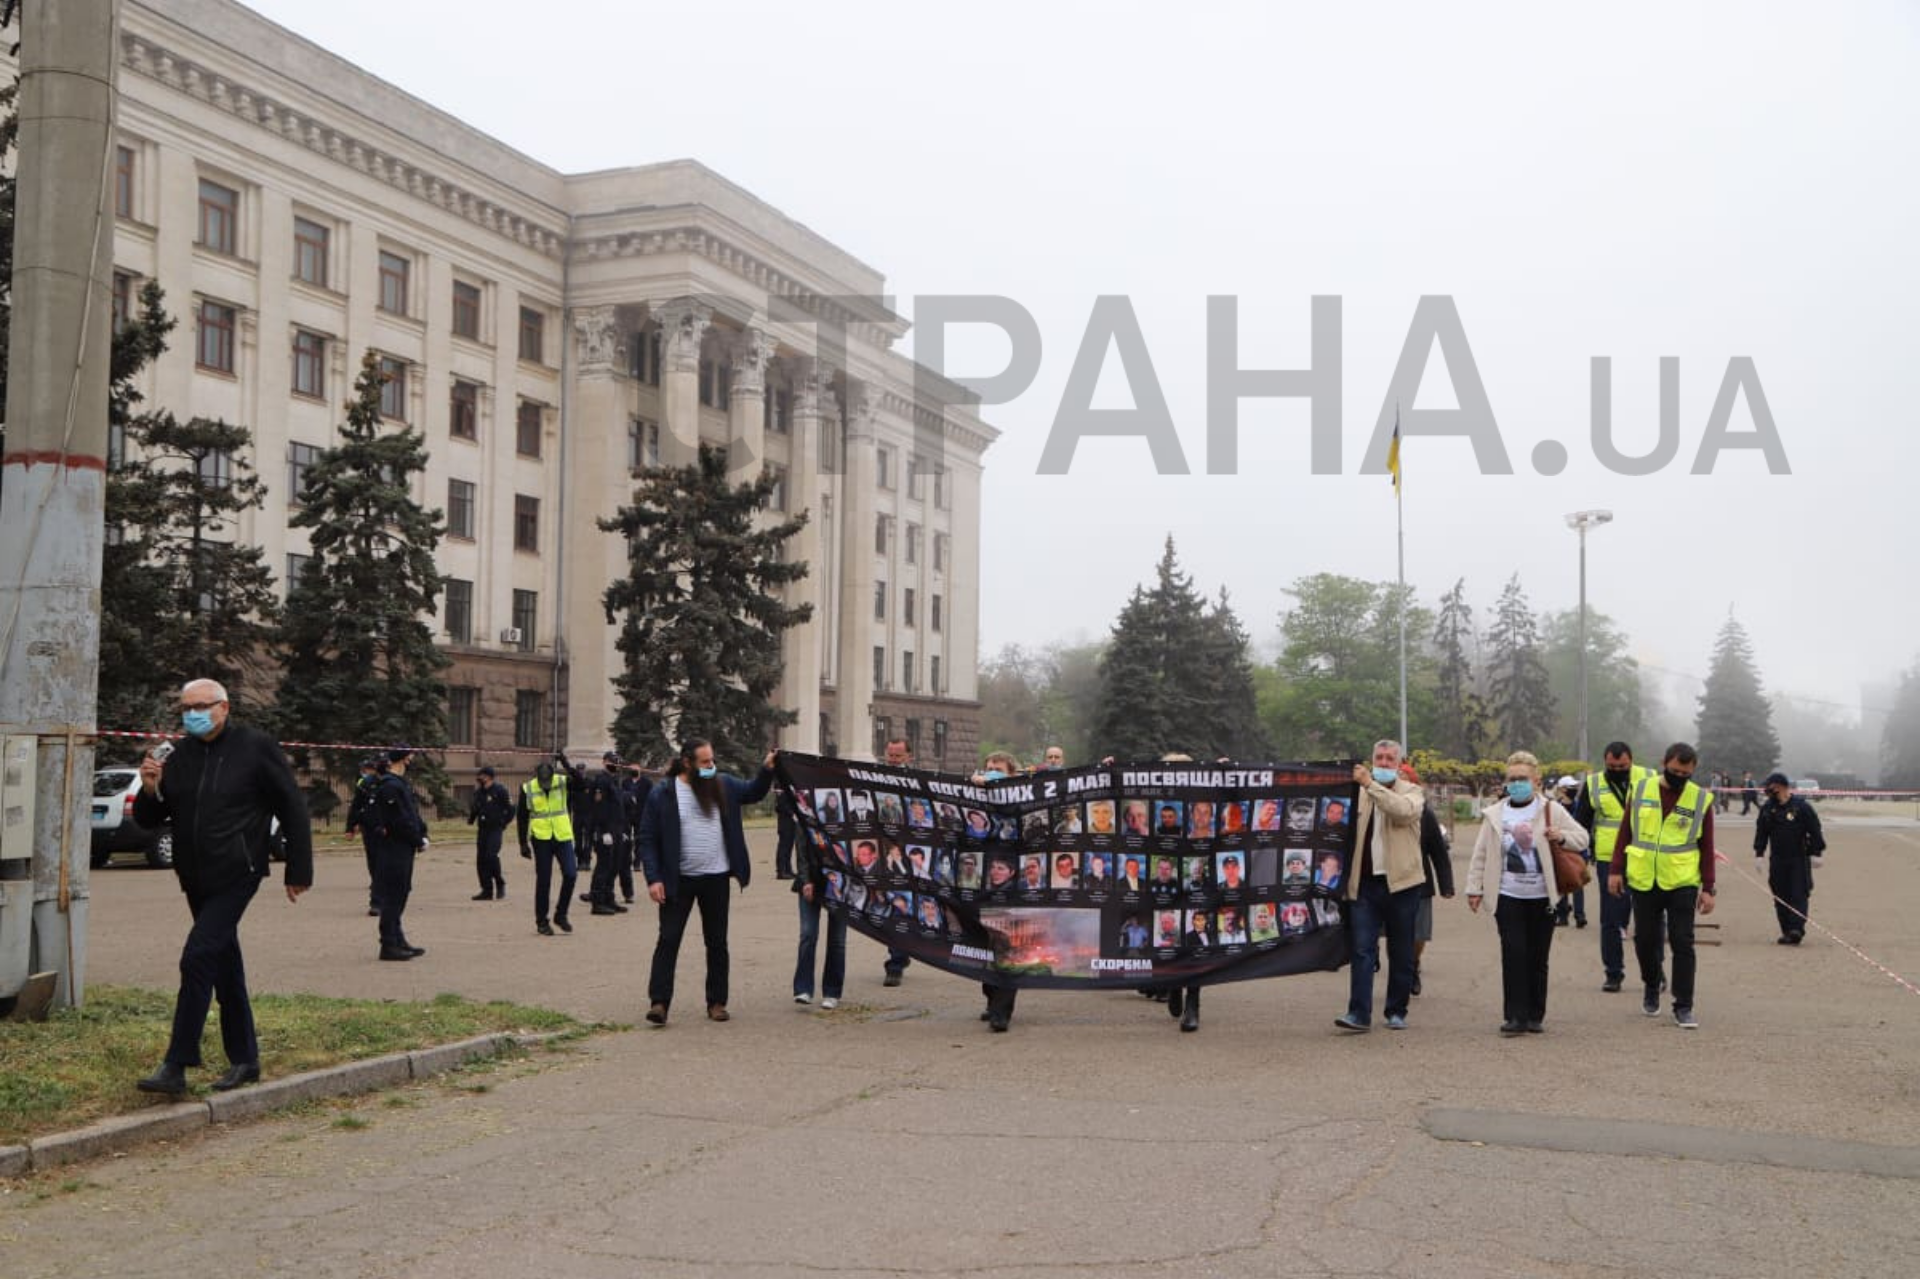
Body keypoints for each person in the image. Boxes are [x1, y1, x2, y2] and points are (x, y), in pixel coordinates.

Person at [133, 680, 312, 1095]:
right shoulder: (177, 755)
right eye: (185, 707)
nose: (192, 713)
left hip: (238, 870)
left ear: (224, 707)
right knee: (224, 965)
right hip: (194, 875)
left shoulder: (255, 747)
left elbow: (292, 805)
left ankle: (176, 1064)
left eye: (201, 706)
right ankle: (245, 1059)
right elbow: (149, 818)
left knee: (197, 957)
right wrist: (149, 786)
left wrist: (298, 869)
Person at [638, 740, 775, 1025]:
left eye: (712, 761)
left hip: (716, 879)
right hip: (679, 881)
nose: (711, 766)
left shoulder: (722, 784)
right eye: (705, 762)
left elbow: (753, 792)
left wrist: (767, 770)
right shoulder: (664, 792)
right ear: (687, 763)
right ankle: (659, 1003)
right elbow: (648, 838)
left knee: (717, 942)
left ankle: (717, 1002)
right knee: (668, 940)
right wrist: (654, 879)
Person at [1467, 752, 1588, 1035]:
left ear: (1536, 781)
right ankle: (1514, 1016)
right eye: (1513, 779)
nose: (1518, 783)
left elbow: (1582, 837)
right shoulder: (1495, 814)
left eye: (1523, 778)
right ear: (1506, 783)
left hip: (1543, 896)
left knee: (1537, 955)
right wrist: (1474, 888)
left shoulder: (1551, 810)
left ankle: (1535, 1014)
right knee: (1513, 953)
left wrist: (1561, 836)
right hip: (1507, 894)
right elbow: (1481, 854)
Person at [1608, 742, 1717, 1029]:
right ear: (1664, 764)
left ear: (1693, 771)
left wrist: (1709, 887)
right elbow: (1625, 833)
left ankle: (1683, 1005)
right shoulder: (1642, 789)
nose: (1680, 776)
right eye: (1675, 770)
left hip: (1682, 881)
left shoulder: (1700, 799)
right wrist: (1615, 870)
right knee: (1645, 940)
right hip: (1644, 878)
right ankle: (1652, 983)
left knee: (1683, 941)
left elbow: (1707, 847)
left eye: (1686, 772)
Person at [1334, 740, 1425, 1033]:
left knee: (1400, 950)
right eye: (1379, 757)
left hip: (1402, 884)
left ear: (1399, 764)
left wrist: (1370, 784)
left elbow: (1401, 811)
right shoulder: (1356, 794)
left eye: (1389, 759)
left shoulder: (1412, 792)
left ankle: (1396, 1010)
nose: (1383, 762)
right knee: (1362, 949)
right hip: (1365, 885)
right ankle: (1358, 1013)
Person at [1574, 741, 1652, 992]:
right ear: (1604, 762)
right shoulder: (1594, 783)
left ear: (1632, 761)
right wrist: (1578, 855)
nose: (1617, 769)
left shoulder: (1650, 778)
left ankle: (1655, 972)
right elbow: (1582, 823)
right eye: (1612, 766)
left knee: (1650, 917)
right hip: (1609, 859)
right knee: (1610, 918)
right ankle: (1613, 973)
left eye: (1623, 766)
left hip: (1645, 856)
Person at [366, 749, 430, 961]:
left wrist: (421, 832)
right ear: (403, 760)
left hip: (403, 846)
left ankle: (398, 938)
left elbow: (412, 814)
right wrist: (417, 839)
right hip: (394, 848)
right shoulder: (390, 786)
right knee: (394, 896)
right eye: (410, 759)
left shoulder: (399, 784)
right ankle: (388, 944)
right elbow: (399, 820)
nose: (412, 762)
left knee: (401, 893)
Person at [1753, 772, 1825, 944]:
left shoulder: (1801, 807)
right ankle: (1786, 931)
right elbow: (1761, 832)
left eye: (1771, 787)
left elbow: (1815, 829)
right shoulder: (1768, 808)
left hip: (1799, 858)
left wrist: (1817, 852)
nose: (1768, 791)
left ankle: (1796, 929)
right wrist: (1759, 854)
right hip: (1777, 859)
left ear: (1781, 786)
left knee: (1798, 894)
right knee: (1780, 896)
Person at [1403, 761, 1455, 998]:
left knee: (1419, 934)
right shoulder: (1379, 808)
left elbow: (1438, 851)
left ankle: (1413, 964)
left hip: (1420, 882)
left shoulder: (1424, 813)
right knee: (1392, 934)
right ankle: (1400, 973)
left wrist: (1446, 884)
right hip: (1387, 882)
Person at [516, 756, 577, 937]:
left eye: (547, 781)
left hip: (562, 835)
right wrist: (523, 844)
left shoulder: (562, 781)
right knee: (544, 880)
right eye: (542, 782)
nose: (545, 785)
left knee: (571, 874)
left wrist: (565, 762)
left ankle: (561, 914)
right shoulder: (528, 788)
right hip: (541, 838)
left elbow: (582, 782)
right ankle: (542, 921)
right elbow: (522, 817)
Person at [880, 736, 917, 987]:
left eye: (898, 756)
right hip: (881, 851)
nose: (893, 760)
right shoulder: (874, 777)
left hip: (908, 854)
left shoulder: (916, 782)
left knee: (902, 906)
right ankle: (898, 957)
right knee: (887, 907)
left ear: (908, 757)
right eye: (890, 755)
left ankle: (897, 960)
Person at [579, 754, 634, 916]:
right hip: (605, 831)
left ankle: (609, 898)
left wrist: (623, 830)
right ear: (604, 763)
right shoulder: (601, 782)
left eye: (617, 763)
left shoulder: (614, 781)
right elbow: (598, 809)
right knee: (604, 866)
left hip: (617, 829)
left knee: (615, 866)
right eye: (612, 763)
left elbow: (618, 808)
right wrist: (603, 832)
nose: (616, 766)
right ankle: (597, 901)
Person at [342, 755, 382, 917]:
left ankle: (385, 896)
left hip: (390, 830)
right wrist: (351, 827)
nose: (365, 771)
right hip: (370, 829)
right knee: (374, 862)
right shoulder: (365, 784)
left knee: (386, 864)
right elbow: (356, 806)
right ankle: (377, 901)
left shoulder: (394, 783)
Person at [465, 765, 512, 901]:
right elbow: (475, 807)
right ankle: (486, 890)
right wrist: (471, 819)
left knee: (491, 856)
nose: (479, 778)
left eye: (481, 776)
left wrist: (504, 823)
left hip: (495, 829)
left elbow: (510, 809)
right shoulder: (479, 792)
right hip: (483, 829)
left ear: (488, 777)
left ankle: (499, 882)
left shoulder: (500, 790)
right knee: (481, 860)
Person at [1550, 775, 1588, 929]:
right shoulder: (1554, 808)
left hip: (1578, 850)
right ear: (1562, 789)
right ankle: (1562, 915)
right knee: (1563, 882)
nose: (1574, 790)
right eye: (1570, 787)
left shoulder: (1581, 806)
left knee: (1578, 883)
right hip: (1560, 850)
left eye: (1575, 787)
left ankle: (1580, 916)